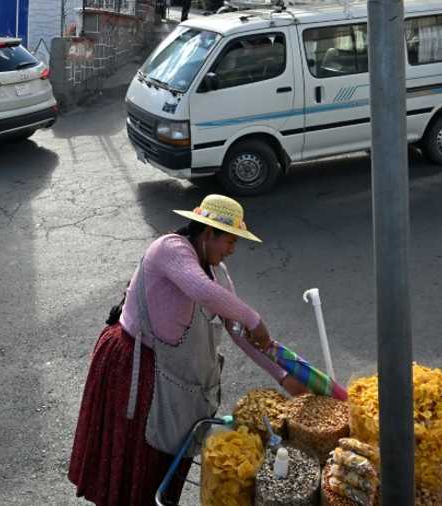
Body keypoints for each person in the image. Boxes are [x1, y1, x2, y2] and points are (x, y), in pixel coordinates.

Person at [69, 195, 307, 506]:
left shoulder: (217, 273)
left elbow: (238, 332)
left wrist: (282, 375)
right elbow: (201, 291)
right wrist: (255, 319)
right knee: (135, 457)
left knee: (164, 464)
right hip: (134, 365)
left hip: (171, 375)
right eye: (230, 241)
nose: (232, 250)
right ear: (208, 233)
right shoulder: (171, 248)